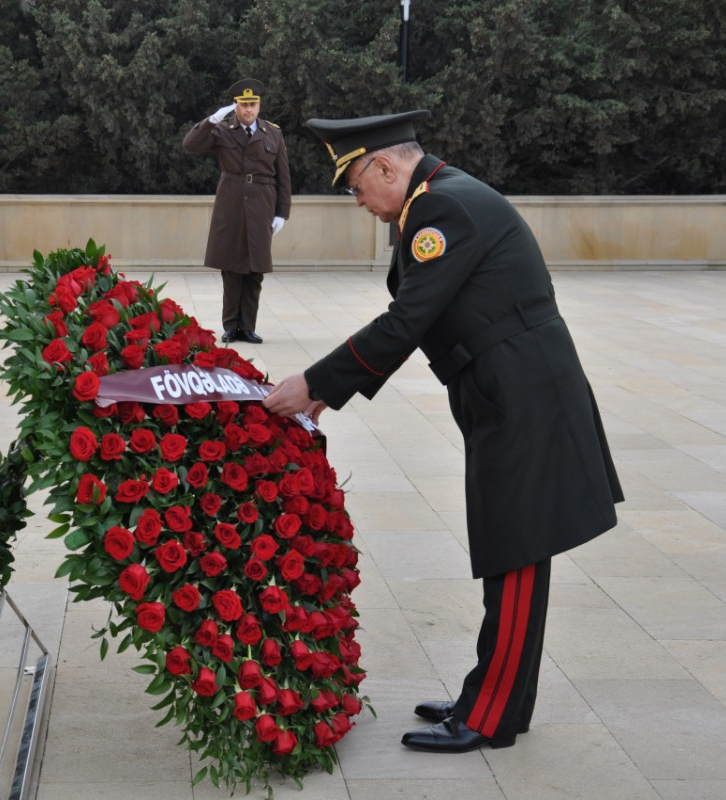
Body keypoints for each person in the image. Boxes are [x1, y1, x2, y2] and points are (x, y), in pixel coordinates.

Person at [263, 110, 623, 754]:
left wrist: (315, 385)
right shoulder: (442, 198)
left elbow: (406, 322)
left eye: (355, 187)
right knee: (510, 547)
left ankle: (489, 715)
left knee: (515, 552)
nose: (358, 202)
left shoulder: (443, 211)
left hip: (524, 398)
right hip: (512, 391)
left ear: (384, 165)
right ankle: (493, 696)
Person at [183, 78, 292, 344]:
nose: (248, 110)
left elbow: (284, 177)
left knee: (255, 270)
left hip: (261, 204)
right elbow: (190, 145)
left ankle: (248, 327)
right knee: (231, 269)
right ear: (235, 106)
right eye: (243, 105)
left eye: (253, 104)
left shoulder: (273, 133)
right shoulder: (222, 130)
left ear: (259, 105)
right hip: (231, 203)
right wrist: (211, 120)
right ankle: (231, 326)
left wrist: (281, 213)